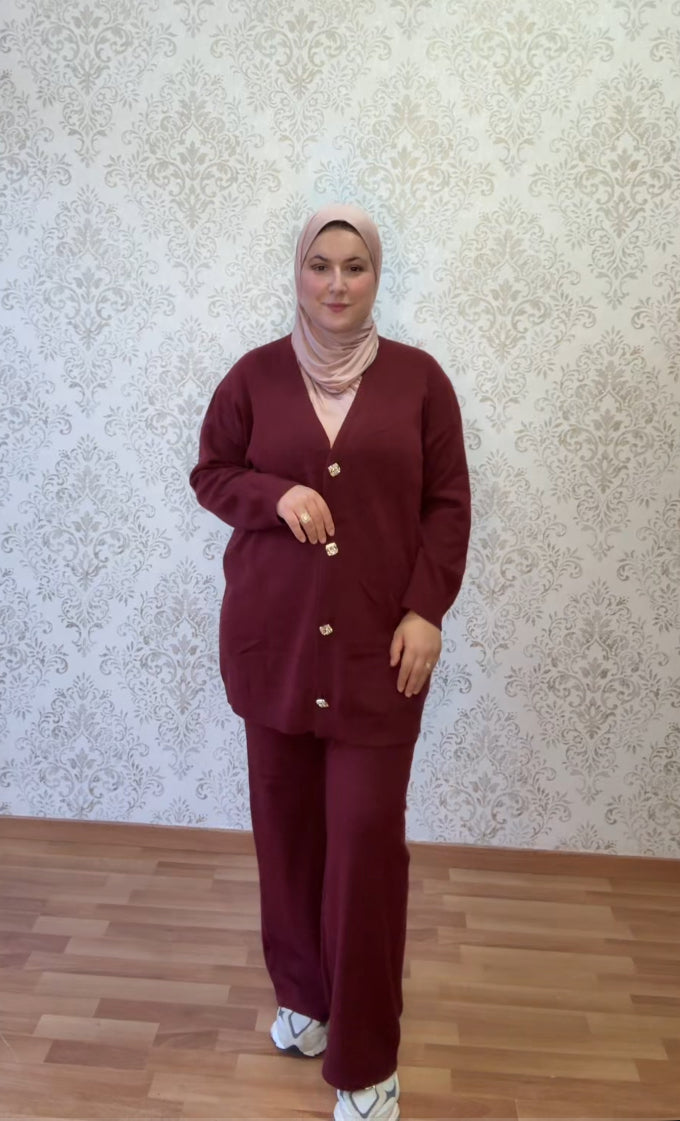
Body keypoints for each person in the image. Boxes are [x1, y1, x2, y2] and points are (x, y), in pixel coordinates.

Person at [190, 204, 471, 1121]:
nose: (337, 283)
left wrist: (427, 608)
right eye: (320, 264)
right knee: (287, 834)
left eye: (355, 266)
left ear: (377, 276)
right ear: (298, 272)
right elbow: (211, 473)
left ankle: (366, 1057)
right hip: (272, 646)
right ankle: (305, 998)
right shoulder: (254, 375)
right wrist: (275, 495)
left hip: (378, 654)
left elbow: (447, 503)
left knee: (363, 845)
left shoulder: (421, 381)